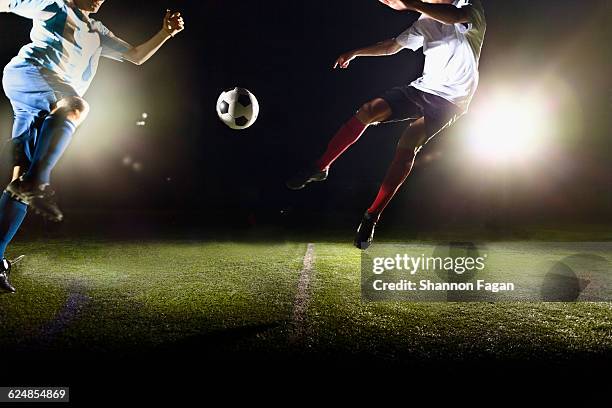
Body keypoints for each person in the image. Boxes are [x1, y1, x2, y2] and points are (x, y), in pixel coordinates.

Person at [0, 0, 185, 293]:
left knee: (18, 183)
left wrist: (165, 33)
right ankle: (39, 182)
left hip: (37, 100)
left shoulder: (97, 32)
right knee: (76, 106)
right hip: (31, 73)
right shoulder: (54, 4)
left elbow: (136, 56)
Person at [286, 0, 486, 249]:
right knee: (368, 111)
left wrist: (411, 4)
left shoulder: (469, 8)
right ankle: (321, 166)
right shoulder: (424, 21)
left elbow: (453, 16)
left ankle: (372, 215)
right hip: (423, 88)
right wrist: (355, 52)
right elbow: (392, 46)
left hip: (452, 99)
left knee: (408, 142)